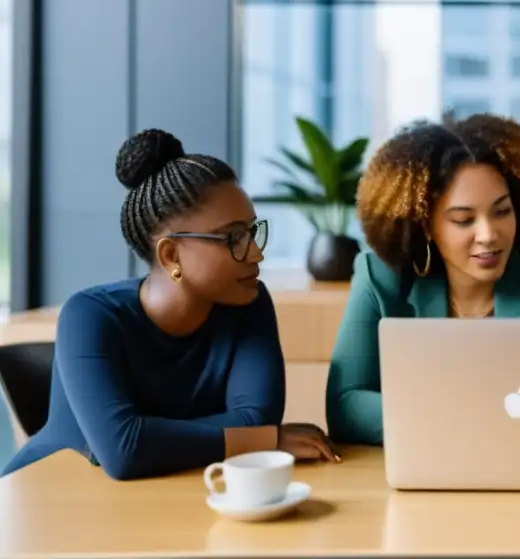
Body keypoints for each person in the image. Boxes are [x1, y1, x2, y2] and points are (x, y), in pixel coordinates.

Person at [1, 129, 339, 480]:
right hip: (46, 501)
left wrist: (150, 436)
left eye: (253, 232)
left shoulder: (248, 302)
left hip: (163, 500)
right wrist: (260, 439)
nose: (256, 253)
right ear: (171, 254)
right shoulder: (89, 316)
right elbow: (125, 451)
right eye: (234, 237)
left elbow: (256, 421)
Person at [326, 113, 520, 445]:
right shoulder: (378, 278)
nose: (488, 235)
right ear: (425, 225)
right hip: (423, 471)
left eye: (501, 211)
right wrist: (458, 417)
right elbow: (345, 403)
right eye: (464, 219)